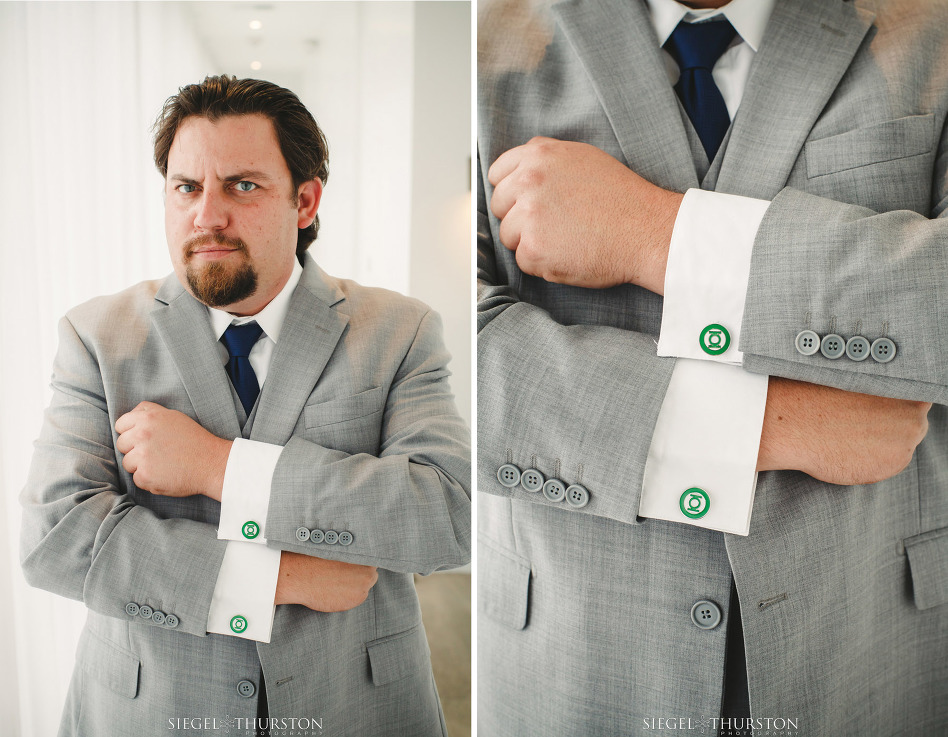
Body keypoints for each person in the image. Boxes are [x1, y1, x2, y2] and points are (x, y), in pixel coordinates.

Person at [477, 0, 947, 734]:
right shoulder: (483, 40)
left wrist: (656, 235)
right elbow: (463, 366)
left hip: (870, 651)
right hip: (571, 663)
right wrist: (759, 428)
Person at [20, 75, 470, 736]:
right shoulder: (96, 336)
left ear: (306, 200)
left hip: (357, 709)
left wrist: (217, 466)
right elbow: (56, 538)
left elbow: (444, 517)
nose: (206, 215)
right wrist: (278, 578)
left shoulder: (398, 330)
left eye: (243, 185)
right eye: (187, 187)